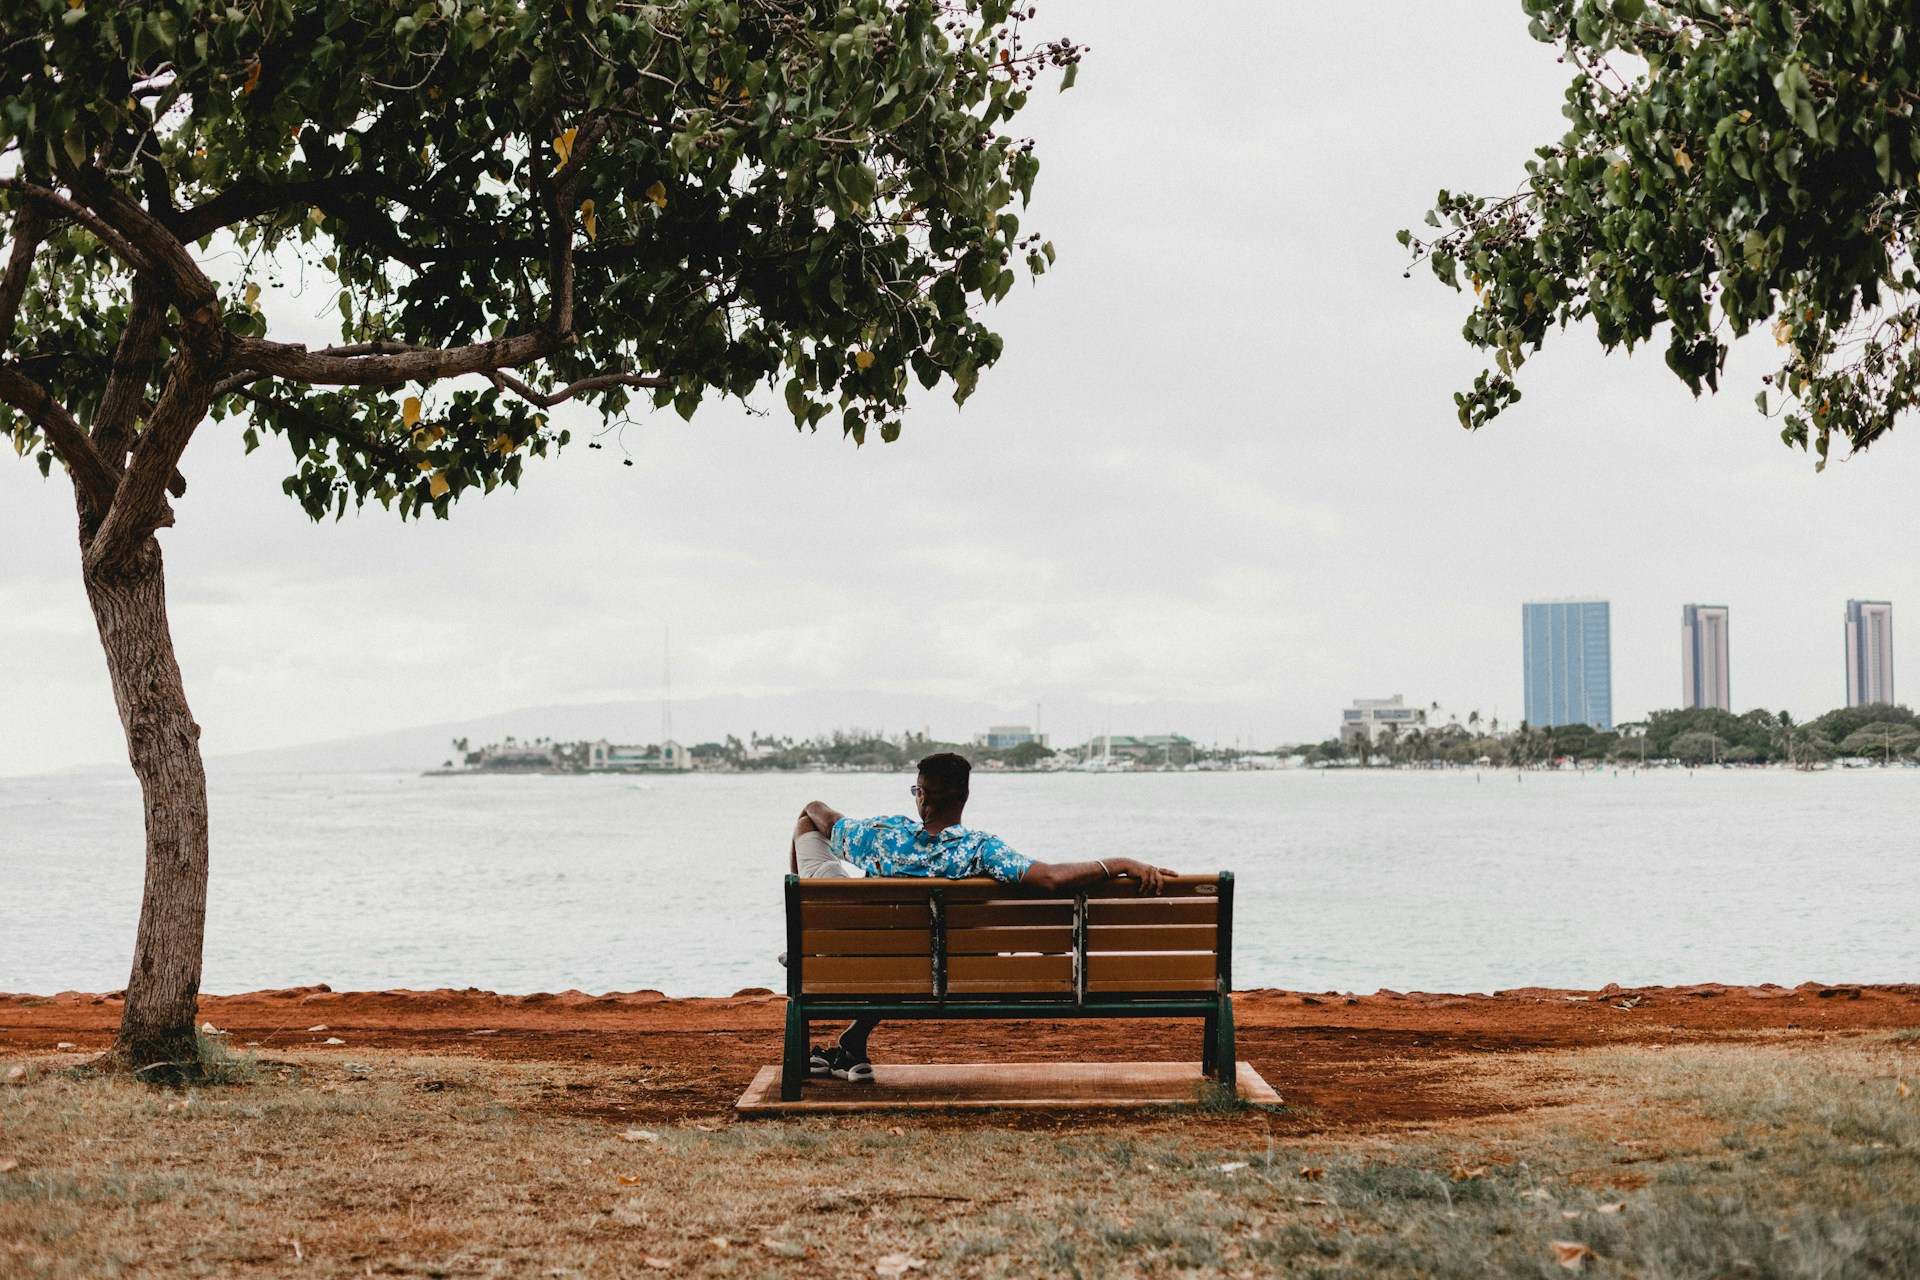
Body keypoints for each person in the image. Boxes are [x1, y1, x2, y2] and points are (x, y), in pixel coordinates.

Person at [787, 751, 1176, 1083]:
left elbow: (814, 812)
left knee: (810, 835)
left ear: (922, 796)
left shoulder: (881, 835)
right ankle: (852, 1041)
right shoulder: (982, 850)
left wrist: (813, 819)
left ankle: (802, 938)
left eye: (916, 791)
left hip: (868, 959)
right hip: (949, 968)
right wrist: (1122, 862)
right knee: (921, 948)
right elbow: (1053, 878)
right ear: (965, 797)